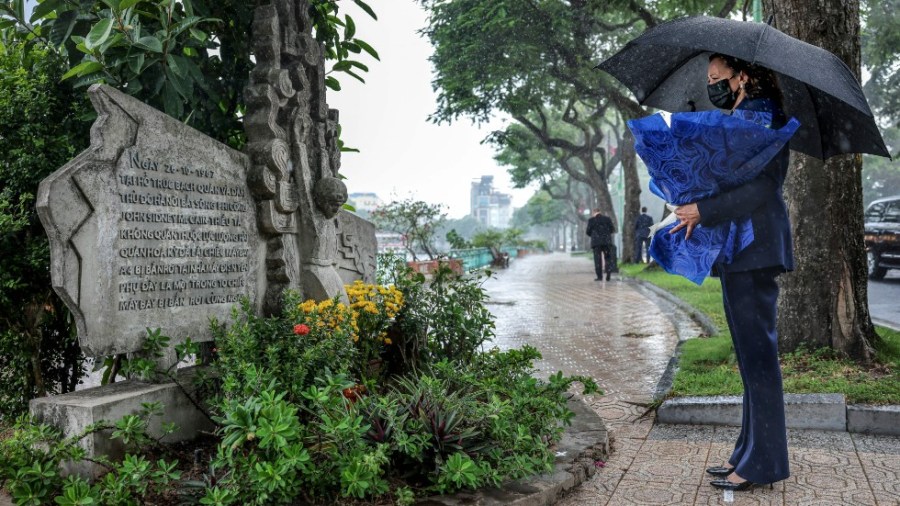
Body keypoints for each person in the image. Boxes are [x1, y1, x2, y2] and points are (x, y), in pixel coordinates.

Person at [670, 53, 792, 492]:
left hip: (755, 250)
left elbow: (761, 187)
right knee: (750, 358)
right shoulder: (745, 116)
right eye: (709, 79)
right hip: (741, 251)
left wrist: (704, 208)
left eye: (718, 77)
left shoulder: (764, 116)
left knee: (759, 359)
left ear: (745, 76)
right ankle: (747, 453)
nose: (712, 83)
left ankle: (762, 464)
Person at [585, 208, 616, 281]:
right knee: (608, 258)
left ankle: (599, 276)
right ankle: (608, 273)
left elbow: (588, 231)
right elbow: (612, 229)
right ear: (600, 212)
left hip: (596, 243)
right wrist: (606, 234)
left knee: (597, 260)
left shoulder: (591, 220)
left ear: (594, 212)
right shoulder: (607, 219)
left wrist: (593, 235)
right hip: (606, 242)